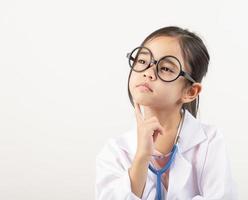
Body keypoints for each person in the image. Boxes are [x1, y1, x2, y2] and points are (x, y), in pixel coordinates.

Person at [95, 26, 237, 200]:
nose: (148, 73)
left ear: (190, 92)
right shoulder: (116, 151)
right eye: (142, 61)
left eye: (166, 69)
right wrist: (141, 157)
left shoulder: (210, 142)